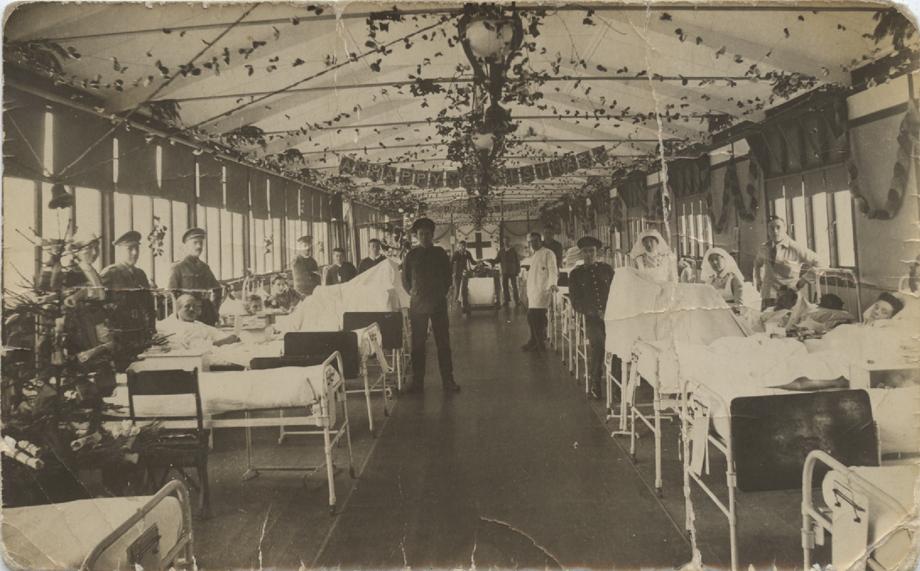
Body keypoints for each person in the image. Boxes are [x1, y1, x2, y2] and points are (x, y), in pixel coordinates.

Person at [401, 217, 460, 394]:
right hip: (418, 305)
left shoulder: (440, 254)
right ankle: (417, 382)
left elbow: (448, 277)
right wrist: (413, 292)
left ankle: (448, 380)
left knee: (443, 343)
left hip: (438, 304)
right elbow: (405, 280)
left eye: (427, 234)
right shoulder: (411, 256)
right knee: (417, 344)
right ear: (417, 236)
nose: (424, 237)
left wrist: (440, 293)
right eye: (421, 234)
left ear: (432, 235)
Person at [568, 236, 614, 399]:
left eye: (592, 251)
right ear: (581, 254)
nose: (589, 254)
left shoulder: (607, 269)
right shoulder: (576, 274)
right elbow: (576, 301)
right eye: (585, 251)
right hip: (590, 319)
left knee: (618, 344)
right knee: (599, 344)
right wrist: (594, 312)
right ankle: (595, 382)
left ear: (597, 252)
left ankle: (616, 387)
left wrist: (609, 311)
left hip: (611, 317)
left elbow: (617, 292)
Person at [100, 231, 156, 362]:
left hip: (140, 331)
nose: (135, 253)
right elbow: (101, 304)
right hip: (120, 333)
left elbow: (149, 305)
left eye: (137, 248)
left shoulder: (141, 274)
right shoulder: (110, 273)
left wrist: (152, 328)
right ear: (119, 251)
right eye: (130, 249)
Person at [753, 216, 819, 310]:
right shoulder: (764, 248)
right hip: (768, 295)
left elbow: (819, 263)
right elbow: (757, 263)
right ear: (768, 230)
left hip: (788, 297)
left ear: (785, 228)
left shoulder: (795, 248)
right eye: (771, 228)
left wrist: (804, 280)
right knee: (766, 318)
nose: (775, 231)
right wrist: (758, 279)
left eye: (778, 227)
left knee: (786, 319)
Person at [167, 227, 221, 326]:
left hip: (205, 313)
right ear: (186, 246)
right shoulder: (177, 267)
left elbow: (217, 289)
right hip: (187, 314)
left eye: (201, 243)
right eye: (195, 243)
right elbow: (171, 294)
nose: (199, 246)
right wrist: (178, 314)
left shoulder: (205, 267)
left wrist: (214, 309)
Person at [158, 294, 239, 351]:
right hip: (201, 356)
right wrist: (223, 342)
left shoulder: (198, 324)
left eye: (194, 306)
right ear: (178, 309)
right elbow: (196, 347)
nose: (192, 309)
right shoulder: (174, 326)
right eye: (187, 306)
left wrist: (231, 338)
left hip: (215, 348)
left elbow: (216, 333)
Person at [523, 232, 558, 353]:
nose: (533, 243)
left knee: (536, 317)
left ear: (541, 241)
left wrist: (553, 283)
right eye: (531, 241)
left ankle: (539, 343)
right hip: (533, 290)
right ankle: (534, 341)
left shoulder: (548, 253)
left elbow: (553, 270)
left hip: (543, 290)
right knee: (532, 317)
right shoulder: (534, 255)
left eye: (536, 241)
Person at [491, 237, 520, 306]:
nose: (506, 242)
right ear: (503, 242)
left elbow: (517, 261)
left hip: (512, 271)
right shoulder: (501, 251)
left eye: (507, 241)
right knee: (505, 286)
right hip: (504, 271)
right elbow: (497, 260)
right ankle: (506, 300)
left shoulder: (513, 250)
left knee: (514, 286)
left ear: (509, 241)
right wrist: (491, 261)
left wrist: (518, 270)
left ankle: (517, 300)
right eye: (504, 241)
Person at [450, 240, 475, 313]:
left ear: (466, 246)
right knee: (457, 290)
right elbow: (451, 263)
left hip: (465, 273)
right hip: (457, 274)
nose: (463, 247)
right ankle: (455, 306)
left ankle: (464, 305)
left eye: (464, 246)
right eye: (461, 246)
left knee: (464, 290)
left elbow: (472, 262)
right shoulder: (456, 253)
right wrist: (452, 273)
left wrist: (479, 262)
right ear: (459, 247)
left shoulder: (467, 253)